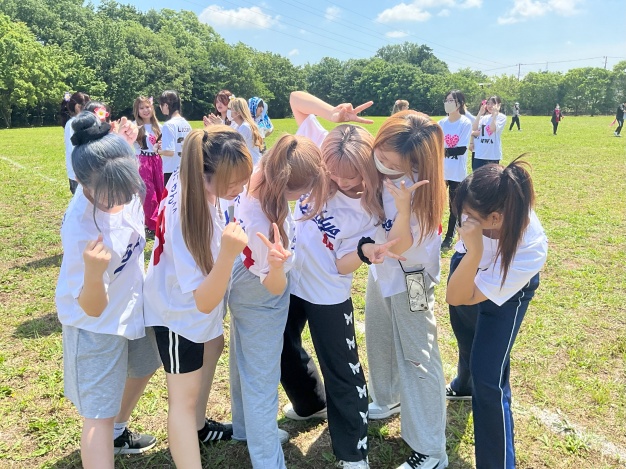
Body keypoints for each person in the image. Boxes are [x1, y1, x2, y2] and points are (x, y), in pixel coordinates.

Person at [280, 91, 402, 469]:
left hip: (326, 294)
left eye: (347, 177)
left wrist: (365, 252)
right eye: (329, 171)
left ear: (366, 169)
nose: (334, 179)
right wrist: (332, 114)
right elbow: (296, 100)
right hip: (288, 277)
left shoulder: (372, 207)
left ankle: (353, 454)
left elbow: (343, 265)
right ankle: (310, 403)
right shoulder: (326, 149)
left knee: (343, 371)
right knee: (279, 346)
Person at [55, 111, 160, 468]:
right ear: (83, 185)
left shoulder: (121, 181)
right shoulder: (81, 229)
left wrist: (123, 140)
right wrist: (92, 272)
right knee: (97, 415)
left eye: (127, 188)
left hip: (131, 306)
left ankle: (117, 430)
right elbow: (91, 307)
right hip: (95, 325)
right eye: (111, 194)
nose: (122, 199)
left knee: (145, 365)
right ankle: (107, 431)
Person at [143, 127, 253, 469]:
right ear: (205, 175)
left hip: (186, 305)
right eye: (232, 183)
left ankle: (199, 427)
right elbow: (203, 301)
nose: (239, 190)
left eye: (243, 180)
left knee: (214, 345)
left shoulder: (190, 175)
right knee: (182, 401)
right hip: (178, 316)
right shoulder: (191, 220)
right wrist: (228, 254)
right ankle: (191, 431)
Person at [228, 134, 328, 468]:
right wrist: (277, 266)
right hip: (261, 289)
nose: (305, 197)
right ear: (287, 186)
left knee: (244, 361)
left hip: (243, 274)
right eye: (303, 191)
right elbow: (273, 287)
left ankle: (245, 428)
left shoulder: (261, 169)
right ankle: (268, 459)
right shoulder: (266, 221)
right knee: (262, 380)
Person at [446, 158, 548, 469]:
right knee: (465, 334)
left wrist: (475, 250)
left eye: (469, 217)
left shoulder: (530, 247)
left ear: (495, 218)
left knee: (489, 377)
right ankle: (464, 385)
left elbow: (457, 295)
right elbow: (459, 299)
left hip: (509, 291)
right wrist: (472, 250)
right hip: (470, 266)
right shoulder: (483, 207)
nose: (462, 221)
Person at [363, 110, 448, 469]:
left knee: (418, 355)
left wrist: (402, 208)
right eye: (380, 153)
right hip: (382, 271)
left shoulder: (421, 187)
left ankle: (431, 450)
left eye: (391, 163)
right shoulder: (383, 169)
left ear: (414, 163)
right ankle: (388, 398)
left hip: (412, 278)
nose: (381, 163)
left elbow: (402, 246)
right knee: (379, 336)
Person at [439, 90, 473, 251]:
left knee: (454, 206)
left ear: (459, 103)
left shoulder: (465, 123)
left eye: (451, 100)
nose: (448, 103)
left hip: (457, 173)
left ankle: (449, 237)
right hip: (441, 171)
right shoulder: (441, 123)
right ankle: (435, 233)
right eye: (446, 100)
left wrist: (441, 150)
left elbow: (460, 149)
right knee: (436, 203)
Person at [132, 96, 163, 236]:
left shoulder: (159, 126)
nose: (145, 110)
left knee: (160, 189)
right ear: (137, 110)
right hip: (143, 161)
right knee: (148, 193)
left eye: (147, 107)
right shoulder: (134, 126)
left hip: (157, 160)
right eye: (142, 108)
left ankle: (161, 221)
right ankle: (151, 224)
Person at [156, 90, 191, 186]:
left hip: (171, 170)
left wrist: (157, 150)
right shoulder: (186, 124)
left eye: (161, 104)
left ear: (166, 105)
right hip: (185, 169)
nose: (160, 107)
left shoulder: (168, 125)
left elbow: (170, 152)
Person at [60, 91, 90, 194]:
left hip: (86, 173)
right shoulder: (73, 124)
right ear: (77, 107)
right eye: (87, 106)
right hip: (78, 174)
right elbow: (74, 149)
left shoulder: (81, 122)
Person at [471, 96, 507, 171]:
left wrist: (494, 115)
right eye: (488, 104)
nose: (490, 106)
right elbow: (474, 128)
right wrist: (480, 113)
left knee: (491, 176)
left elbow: (492, 129)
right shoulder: (485, 117)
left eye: (493, 104)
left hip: (492, 155)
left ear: (499, 105)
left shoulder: (501, 117)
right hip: (480, 153)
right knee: (476, 175)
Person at [229, 97, 263, 165]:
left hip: (252, 164)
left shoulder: (245, 127)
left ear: (237, 112)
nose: (229, 112)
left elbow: (234, 146)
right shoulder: (239, 126)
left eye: (231, 109)